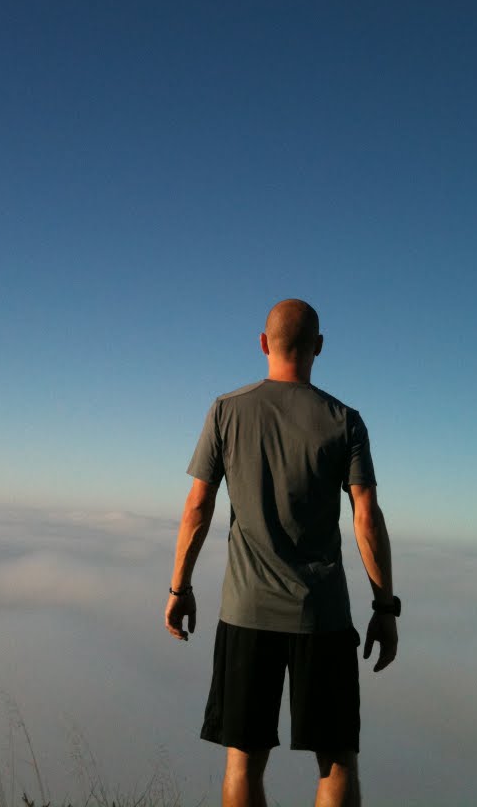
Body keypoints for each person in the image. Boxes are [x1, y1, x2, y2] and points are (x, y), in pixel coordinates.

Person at [165, 299, 399, 807]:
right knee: (336, 759)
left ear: (264, 343)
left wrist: (179, 587)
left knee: (242, 760)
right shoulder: (346, 421)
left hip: (246, 613)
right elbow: (366, 519)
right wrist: (385, 607)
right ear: (318, 347)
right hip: (324, 618)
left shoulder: (226, 410)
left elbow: (197, 507)